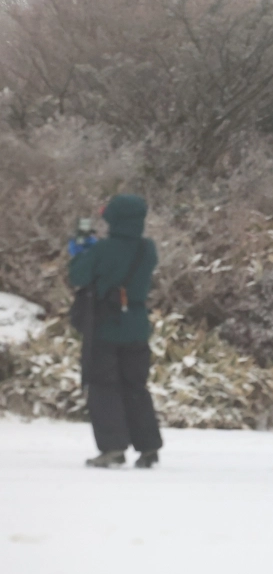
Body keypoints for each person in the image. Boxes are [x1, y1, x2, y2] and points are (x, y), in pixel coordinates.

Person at [69, 194, 162, 469]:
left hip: (106, 325)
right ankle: (148, 447)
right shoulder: (148, 249)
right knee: (136, 386)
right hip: (137, 324)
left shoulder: (103, 250)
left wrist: (81, 253)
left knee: (103, 386)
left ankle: (113, 448)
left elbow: (78, 276)